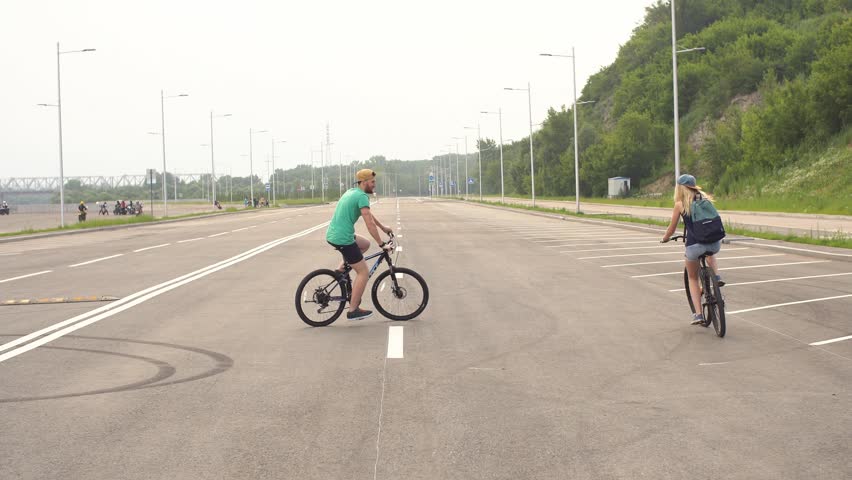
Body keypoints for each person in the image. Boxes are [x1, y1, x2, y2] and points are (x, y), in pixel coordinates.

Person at [326, 169, 393, 321]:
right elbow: (369, 223)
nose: (374, 185)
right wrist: (382, 244)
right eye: (372, 182)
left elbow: (368, 214)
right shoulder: (362, 196)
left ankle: (340, 269)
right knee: (363, 272)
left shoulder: (352, 192)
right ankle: (353, 310)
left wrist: (383, 228)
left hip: (334, 234)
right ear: (364, 182)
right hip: (343, 237)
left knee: (365, 244)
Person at [661, 174, 724, 326]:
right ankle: (716, 277)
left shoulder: (680, 204)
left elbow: (672, 228)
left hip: (694, 246)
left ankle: (698, 315)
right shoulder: (706, 199)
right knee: (710, 252)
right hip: (715, 243)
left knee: (693, 277)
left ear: (680, 188)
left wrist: (665, 238)